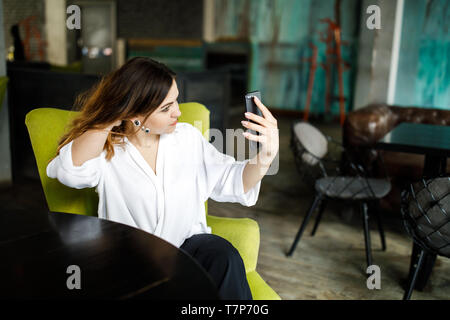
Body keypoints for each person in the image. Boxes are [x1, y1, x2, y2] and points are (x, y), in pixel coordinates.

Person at [46, 57, 279, 300]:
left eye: (175, 100)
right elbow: (69, 173)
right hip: (134, 263)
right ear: (132, 111)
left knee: (223, 254)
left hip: (187, 252)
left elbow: (235, 181)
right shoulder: (106, 150)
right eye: (166, 108)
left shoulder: (186, 137)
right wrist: (109, 117)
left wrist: (267, 154)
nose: (178, 112)